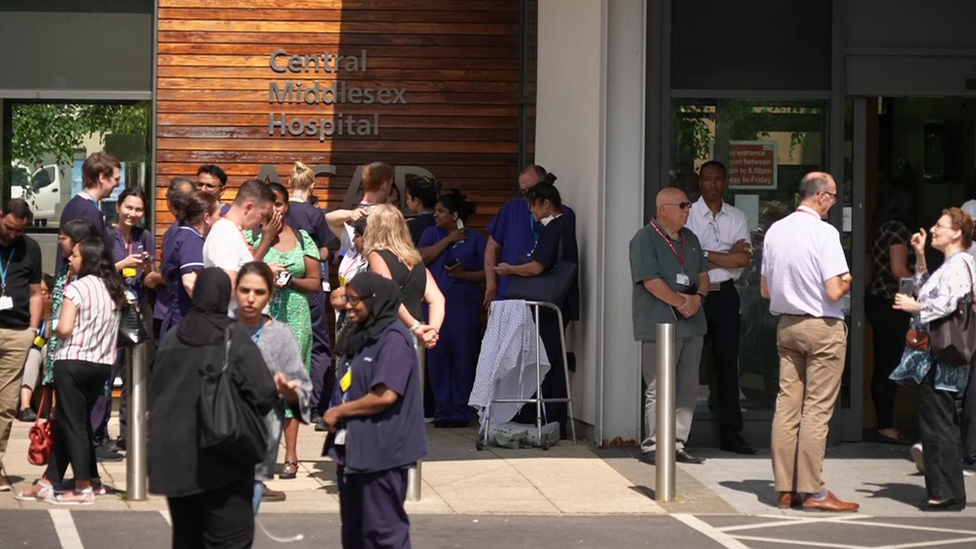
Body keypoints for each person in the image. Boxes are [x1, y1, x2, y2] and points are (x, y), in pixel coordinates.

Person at [149, 268, 277, 547]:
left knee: (186, 539)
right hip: (224, 459)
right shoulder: (234, 337)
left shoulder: (171, 338)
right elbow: (265, 393)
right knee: (230, 540)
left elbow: (156, 390)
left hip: (176, 464)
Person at [762, 172, 857, 512]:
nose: (833, 202)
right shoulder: (825, 232)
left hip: (787, 325)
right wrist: (848, 280)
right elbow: (834, 290)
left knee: (787, 408)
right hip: (822, 327)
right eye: (832, 196)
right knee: (816, 411)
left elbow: (765, 290)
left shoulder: (775, 230)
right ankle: (813, 491)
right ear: (820, 196)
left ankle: (785, 488)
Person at [17, 237, 124, 504]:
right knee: (70, 423)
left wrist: (52, 324)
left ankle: (83, 486)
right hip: (101, 365)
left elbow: (64, 328)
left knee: (72, 424)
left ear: (87, 260)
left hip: (72, 361)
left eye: (74, 255)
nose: (69, 259)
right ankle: (48, 481)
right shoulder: (114, 289)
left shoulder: (76, 288)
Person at [323, 272, 427, 549]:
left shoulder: (393, 338)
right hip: (353, 450)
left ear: (376, 300)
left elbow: (386, 395)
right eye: (347, 298)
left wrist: (340, 412)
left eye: (355, 300)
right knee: (356, 533)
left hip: (383, 452)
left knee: (384, 533)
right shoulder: (361, 333)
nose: (349, 305)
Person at [891, 208, 976, 511]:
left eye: (941, 226)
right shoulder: (953, 264)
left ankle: (944, 493)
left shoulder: (959, 265)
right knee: (943, 423)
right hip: (945, 358)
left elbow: (942, 304)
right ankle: (949, 491)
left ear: (957, 233)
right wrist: (920, 255)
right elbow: (929, 288)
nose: (934, 229)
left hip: (942, 358)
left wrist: (912, 307)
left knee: (938, 424)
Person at [245, 182, 320, 480]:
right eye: (268, 203)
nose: (273, 209)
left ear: (286, 206)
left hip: (296, 315)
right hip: (261, 316)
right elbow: (243, 271)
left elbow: (315, 282)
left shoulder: (302, 238)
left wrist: (292, 281)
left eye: (278, 203)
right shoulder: (250, 237)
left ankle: (291, 454)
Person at [628, 187, 709, 464]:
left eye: (688, 206)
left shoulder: (691, 239)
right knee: (659, 386)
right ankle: (653, 446)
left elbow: (704, 276)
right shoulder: (644, 239)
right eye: (683, 205)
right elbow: (650, 281)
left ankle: (677, 443)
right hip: (658, 324)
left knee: (687, 388)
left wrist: (698, 298)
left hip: (692, 325)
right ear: (663, 209)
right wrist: (681, 303)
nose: (688, 210)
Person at [495, 183, 580, 437]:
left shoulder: (555, 225)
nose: (531, 210)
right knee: (549, 359)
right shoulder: (561, 225)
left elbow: (538, 266)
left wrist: (509, 269)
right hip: (557, 304)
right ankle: (549, 419)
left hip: (549, 306)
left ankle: (552, 420)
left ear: (546, 203)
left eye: (533, 204)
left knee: (548, 361)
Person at [684, 161, 756, 455]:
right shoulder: (687, 215)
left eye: (718, 180)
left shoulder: (737, 217)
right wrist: (723, 256)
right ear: (700, 182)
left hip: (725, 295)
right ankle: (681, 434)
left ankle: (731, 433)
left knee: (727, 364)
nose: (713, 184)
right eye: (708, 179)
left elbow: (743, 261)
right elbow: (687, 258)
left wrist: (704, 255)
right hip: (694, 294)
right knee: (689, 364)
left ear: (725, 183)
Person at [235, 262, 310, 510]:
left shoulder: (280, 335)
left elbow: (302, 393)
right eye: (245, 290)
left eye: (259, 292)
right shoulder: (223, 328)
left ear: (270, 295)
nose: (250, 299)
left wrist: (290, 392)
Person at [91, 187, 155, 458]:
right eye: (128, 207)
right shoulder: (106, 235)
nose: (133, 214)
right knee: (107, 374)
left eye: (138, 209)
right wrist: (124, 263)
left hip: (137, 312)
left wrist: (148, 268)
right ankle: (98, 433)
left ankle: (129, 434)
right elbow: (97, 271)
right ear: (117, 207)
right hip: (110, 312)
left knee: (135, 376)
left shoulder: (146, 237)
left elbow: (150, 277)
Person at [418, 190, 487, 427]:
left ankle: (461, 410)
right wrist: (448, 240)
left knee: (462, 355)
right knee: (437, 356)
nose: (435, 215)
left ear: (454, 214)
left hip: (463, 306)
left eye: (441, 211)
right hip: (434, 307)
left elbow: (486, 272)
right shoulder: (431, 234)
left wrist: (463, 275)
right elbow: (420, 258)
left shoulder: (476, 239)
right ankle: (442, 410)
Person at [285, 162, 336, 433]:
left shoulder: (281, 210)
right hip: (311, 285)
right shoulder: (316, 215)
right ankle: (314, 405)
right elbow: (324, 254)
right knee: (317, 344)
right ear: (312, 186)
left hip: (280, 285)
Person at [484, 165, 576, 308]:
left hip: (545, 295)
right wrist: (491, 284)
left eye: (531, 190)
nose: (528, 197)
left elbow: (542, 265)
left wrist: (511, 269)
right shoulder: (511, 209)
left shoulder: (560, 219)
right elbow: (491, 247)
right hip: (511, 293)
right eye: (524, 191)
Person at [865, 186, 915, 445]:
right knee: (889, 366)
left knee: (884, 363)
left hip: (877, 300)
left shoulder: (881, 227)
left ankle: (884, 422)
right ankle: (886, 425)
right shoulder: (896, 229)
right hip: (890, 303)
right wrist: (919, 288)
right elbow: (899, 270)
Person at [0, 199, 43, 492]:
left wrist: (32, 331)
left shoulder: (31, 248)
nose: (13, 234)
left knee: (5, 406)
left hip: (17, 333)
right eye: (9, 228)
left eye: (19, 230)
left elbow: (36, 291)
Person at [364, 204, 445, 349]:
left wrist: (414, 327)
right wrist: (432, 330)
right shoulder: (416, 261)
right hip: (416, 336)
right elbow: (438, 299)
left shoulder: (377, 255)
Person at [41, 219, 103, 389]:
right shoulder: (64, 272)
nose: (60, 241)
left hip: (83, 355)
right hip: (59, 350)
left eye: (64, 237)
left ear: (78, 241)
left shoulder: (93, 278)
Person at [203, 179, 277, 312]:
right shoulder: (226, 232)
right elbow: (228, 285)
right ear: (249, 207)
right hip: (233, 326)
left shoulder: (232, 230)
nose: (263, 222)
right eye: (263, 215)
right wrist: (264, 275)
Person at [161, 191, 221, 335]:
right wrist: (211, 314)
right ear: (207, 217)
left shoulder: (183, 235)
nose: (220, 219)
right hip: (184, 322)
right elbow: (191, 282)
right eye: (218, 215)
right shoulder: (190, 240)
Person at [148, 177, 196, 341]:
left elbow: (177, 274)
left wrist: (154, 277)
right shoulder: (193, 230)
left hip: (177, 312)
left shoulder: (181, 233)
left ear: (169, 203)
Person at [56, 152, 121, 272]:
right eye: (116, 179)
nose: (117, 184)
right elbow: (92, 259)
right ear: (102, 177)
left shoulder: (73, 205)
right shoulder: (89, 212)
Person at [18, 273, 54, 422]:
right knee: (33, 353)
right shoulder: (26, 309)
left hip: (48, 351)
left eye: (45, 291)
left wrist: (47, 312)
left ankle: (53, 408)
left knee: (46, 349)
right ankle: (24, 407)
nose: (42, 295)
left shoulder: (55, 307)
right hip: (31, 353)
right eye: (39, 291)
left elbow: (48, 336)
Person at [406, 175, 441, 245]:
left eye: (408, 198)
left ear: (416, 201)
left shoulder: (411, 226)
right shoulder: (443, 222)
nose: (407, 202)